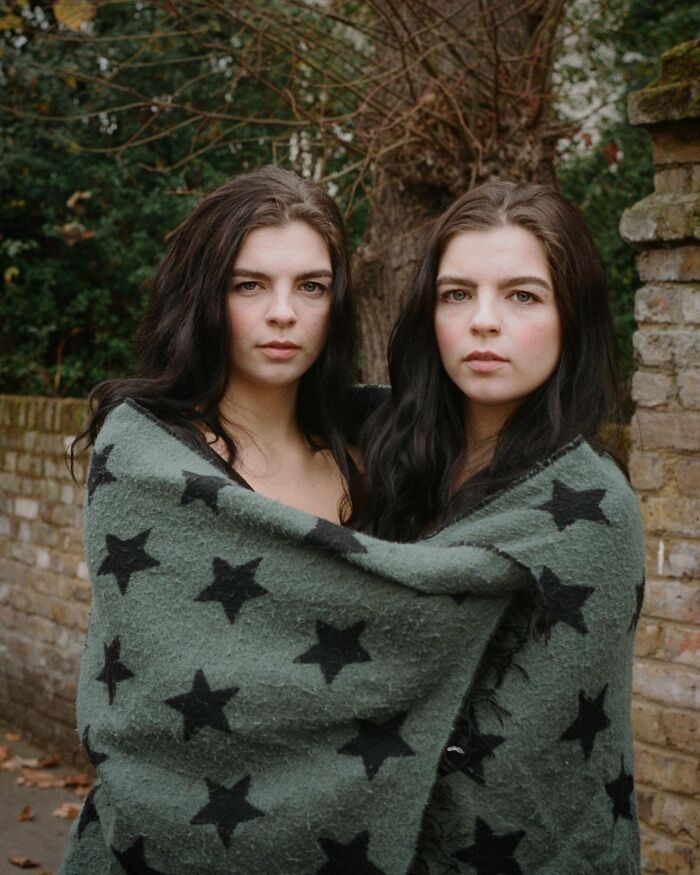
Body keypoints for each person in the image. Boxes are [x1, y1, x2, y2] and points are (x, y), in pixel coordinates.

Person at [352, 181, 643, 873]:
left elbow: (526, 761)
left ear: (572, 317)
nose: (484, 321)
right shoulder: (382, 461)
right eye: (457, 294)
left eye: (523, 295)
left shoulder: (591, 508)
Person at [70, 164, 357, 523]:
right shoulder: (155, 467)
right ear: (202, 298)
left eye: (311, 287)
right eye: (249, 285)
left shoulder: (377, 457)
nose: (283, 313)